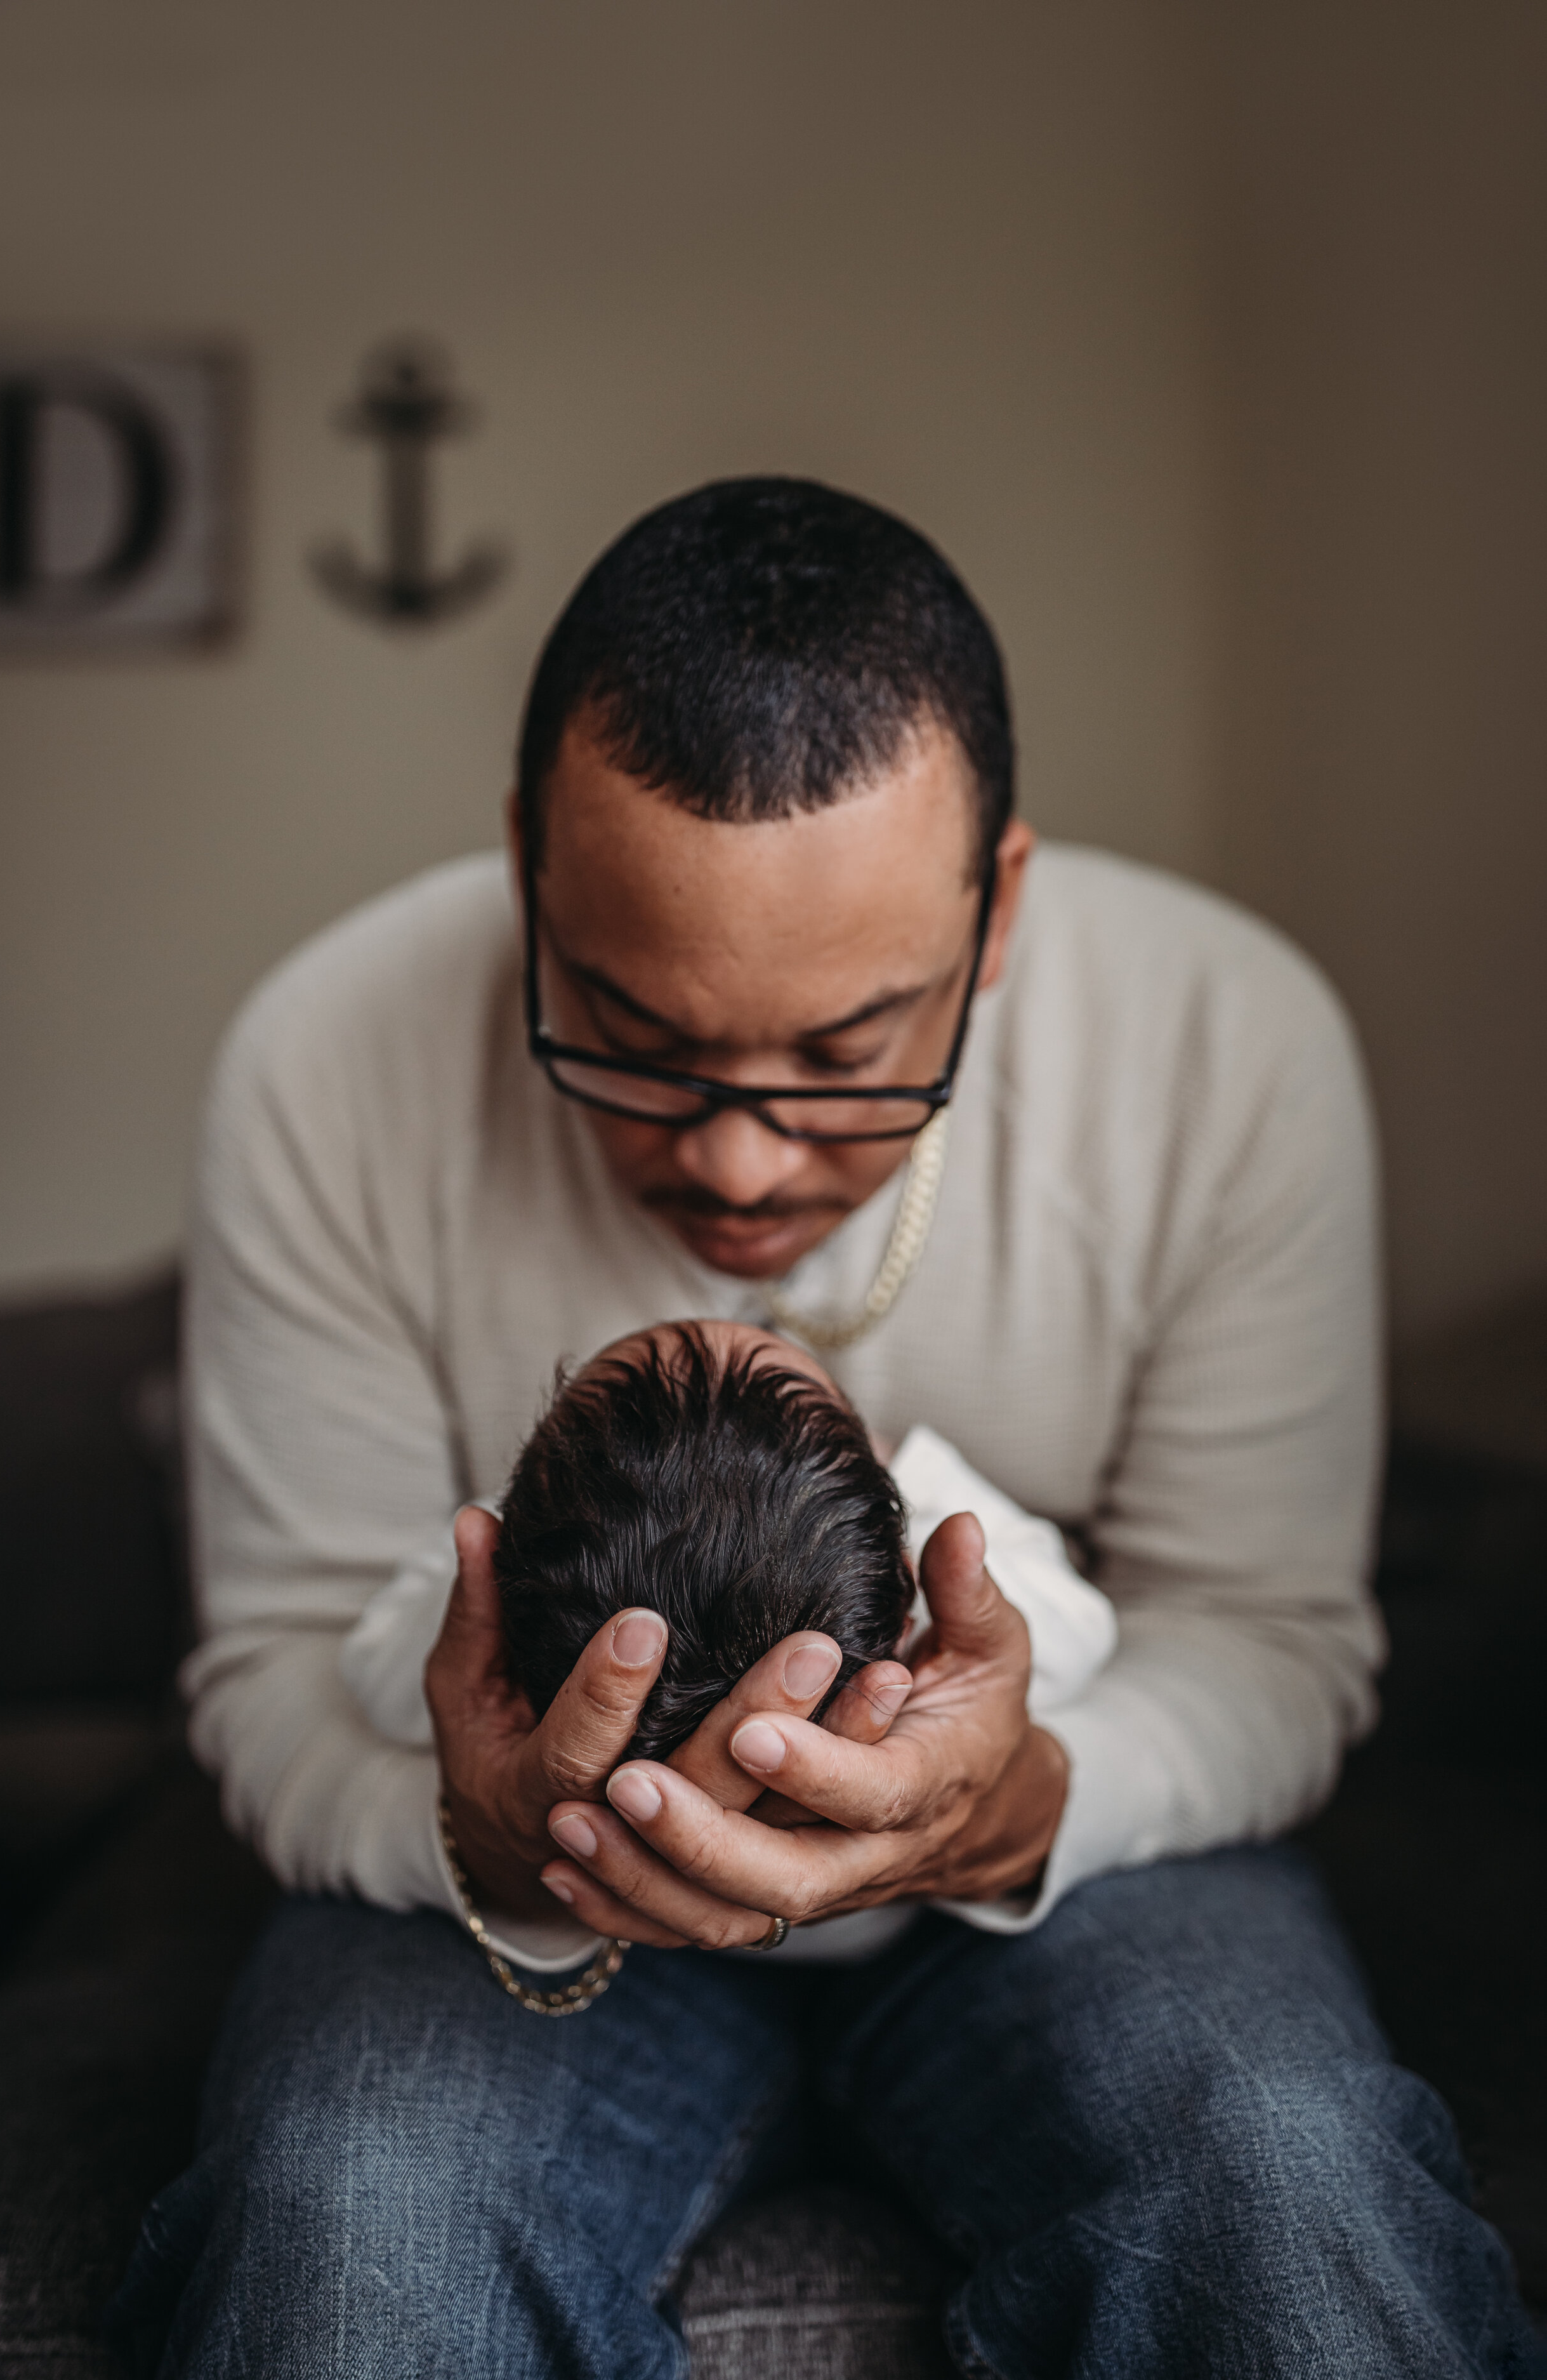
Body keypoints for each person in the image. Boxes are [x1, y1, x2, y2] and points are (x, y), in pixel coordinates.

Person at [110, 478, 1543, 2376]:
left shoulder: (1226, 1036)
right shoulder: (326, 1051)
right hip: (498, 1886)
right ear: (530, 859)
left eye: (846, 1053)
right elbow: (284, 1667)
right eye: (625, 1027)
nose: (731, 1155)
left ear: (998, 907)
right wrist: (494, 1832)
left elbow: (1264, 1643)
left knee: (1281, 2183)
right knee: (350, 2228)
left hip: (1069, 1867)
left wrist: (1014, 1800)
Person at [338, 1316, 1117, 1788]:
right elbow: (1085, 1629)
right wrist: (909, 1468)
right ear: (907, 1585)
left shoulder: (508, 1682)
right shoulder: (926, 1660)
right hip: (924, 1935)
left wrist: (495, 1567)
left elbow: (373, 1670)